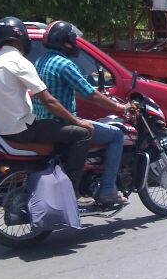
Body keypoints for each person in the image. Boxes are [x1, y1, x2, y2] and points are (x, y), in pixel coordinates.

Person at [0, 16, 95, 206]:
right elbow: (49, 100)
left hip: (2, 129)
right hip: (23, 130)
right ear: (20, 38)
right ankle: (72, 191)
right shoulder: (18, 61)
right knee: (81, 134)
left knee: (55, 128)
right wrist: (77, 121)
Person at [32, 20, 132, 206]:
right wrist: (120, 108)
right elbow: (91, 95)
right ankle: (108, 189)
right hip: (62, 123)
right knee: (117, 134)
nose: (75, 43)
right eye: (73, 39)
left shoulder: (41, 61)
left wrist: (96, 96)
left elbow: (75, 90)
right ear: (66, 41)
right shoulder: (65, 65)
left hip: (43, 122)